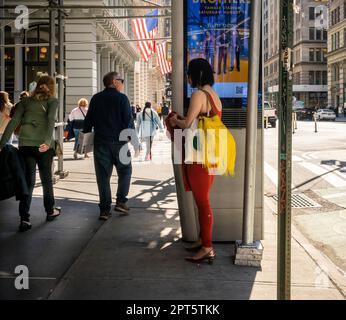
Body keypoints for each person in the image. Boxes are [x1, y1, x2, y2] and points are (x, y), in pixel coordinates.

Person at [169, 58, 222, 264]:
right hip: (211, 153)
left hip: (198, 155)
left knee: (202, 202)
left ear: (197, 75)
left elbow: (186, 124)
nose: (188, 77)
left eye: (189, 73)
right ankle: (203, 240)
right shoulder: (213, 95)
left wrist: (174, 120)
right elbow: (200, 121)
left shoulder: (199, 94)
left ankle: (207, 247)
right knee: (203, 200)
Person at [0, 75, 61, 232]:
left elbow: (13, 122)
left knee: (28, 181)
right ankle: (50, 211)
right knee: (47, 180)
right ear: (51, 87)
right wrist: (47, 142)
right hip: (42, 145)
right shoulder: (52, 101)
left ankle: (24, 218)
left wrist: (1, 144)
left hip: (26, 144)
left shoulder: (25, 102)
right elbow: (50, 121)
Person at [83, 72, 140, 221]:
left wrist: (84, 141)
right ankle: (121, 201)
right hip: (120, 143)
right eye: (121, 80)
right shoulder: (122, 99)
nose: (122, 83)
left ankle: (104, 210)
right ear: (114, 82)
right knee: (126, 170)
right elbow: (128, 122)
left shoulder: (95, 99)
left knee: (102, 177)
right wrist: (135, 143)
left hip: (101, 143)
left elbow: (88, 122)